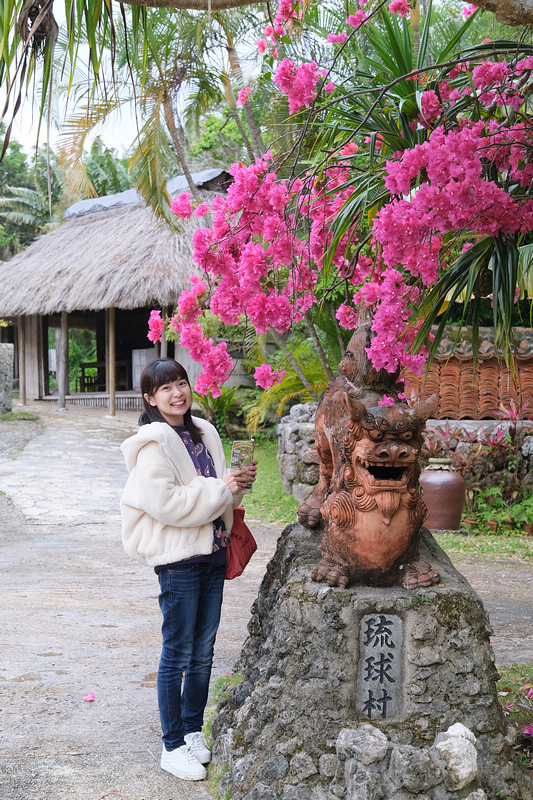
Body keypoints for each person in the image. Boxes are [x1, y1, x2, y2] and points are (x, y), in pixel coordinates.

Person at [120, 357, 257, 782]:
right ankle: (172, 745)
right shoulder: (153, 444)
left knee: (203, 653)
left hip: (212, 554)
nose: (177, 393)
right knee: (177, 653)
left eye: (181, 383)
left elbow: (219, 499)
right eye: (165, 388)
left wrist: (236, 485)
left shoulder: (205, 432)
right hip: (179, 561)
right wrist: (221, 488)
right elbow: (168, 505)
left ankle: (193, 730)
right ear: (150, 398)